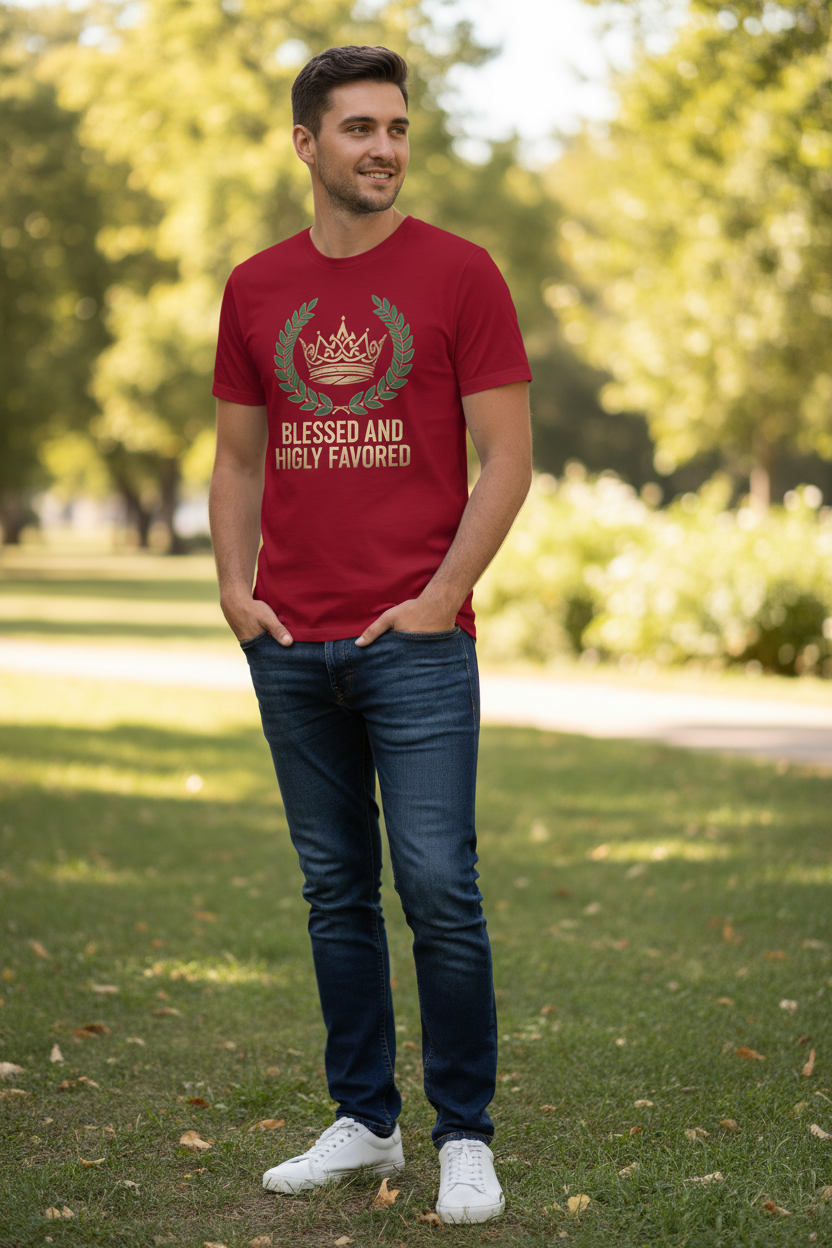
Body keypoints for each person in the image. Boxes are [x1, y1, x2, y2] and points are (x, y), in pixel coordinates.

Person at [209, 44, 532, 1225]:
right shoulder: (253, 287)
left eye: (395, 127)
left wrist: (444, 594)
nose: (383, 148)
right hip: (292, 646)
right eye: (357, 128)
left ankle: (464, 1135)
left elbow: (509, 456)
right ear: (307, 143)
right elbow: (238, 457)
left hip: (418, 642)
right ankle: (364, 1120)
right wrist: (235, 592)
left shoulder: (459, 274)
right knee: (334, 891)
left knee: (439, 888)